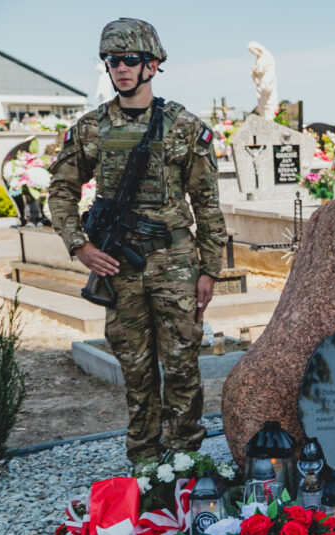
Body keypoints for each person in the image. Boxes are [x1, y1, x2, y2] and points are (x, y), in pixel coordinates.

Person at [47, 18, 226, 463]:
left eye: (130, 59)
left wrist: (209, 270)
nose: (121, 68)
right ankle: (145, 461)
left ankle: (184, 461)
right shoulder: (90, 128)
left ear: (153, 64)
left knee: (182, 366)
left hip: (175, 262)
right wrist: (80, 246)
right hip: (119, 267)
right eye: (112, 61)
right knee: (136, 369)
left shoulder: (184, 126)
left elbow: (207, 203)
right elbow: (61, 190)